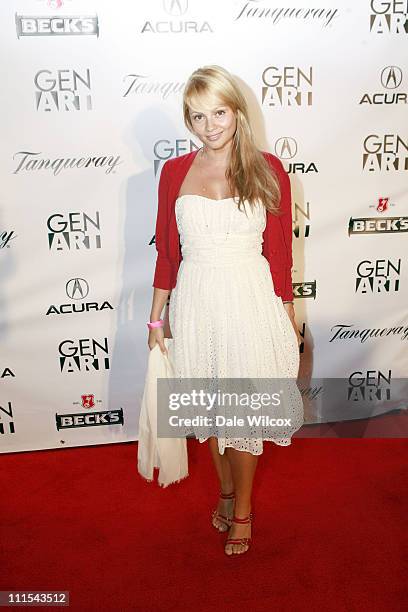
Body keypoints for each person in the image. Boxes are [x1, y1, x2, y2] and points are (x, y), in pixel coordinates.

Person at [146, 65, 304, 556]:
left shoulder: (268, 168)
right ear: (188, 121)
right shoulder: (173, 173)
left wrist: (288, 313)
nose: (210, 125)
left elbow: (280, 252)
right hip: (196, 302)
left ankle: (242, 511)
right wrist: (156, 318)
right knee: (210, 415)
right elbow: (168, 252)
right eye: (198, 116)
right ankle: (226, 491)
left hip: (250, 300)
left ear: (237, 111)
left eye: (219, 112)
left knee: (242, 414)